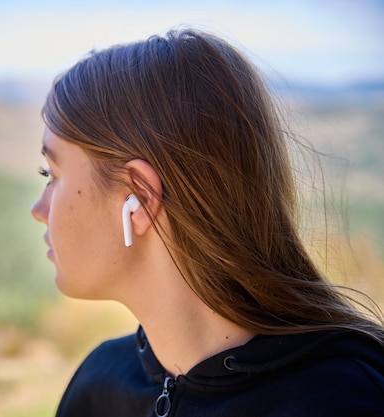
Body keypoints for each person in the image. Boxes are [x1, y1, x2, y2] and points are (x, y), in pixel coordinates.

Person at [30, 28, 384, 417]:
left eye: (53, 175)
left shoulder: (343, 400)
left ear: (140, 198)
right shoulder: (99, 386)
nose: (38, 208)